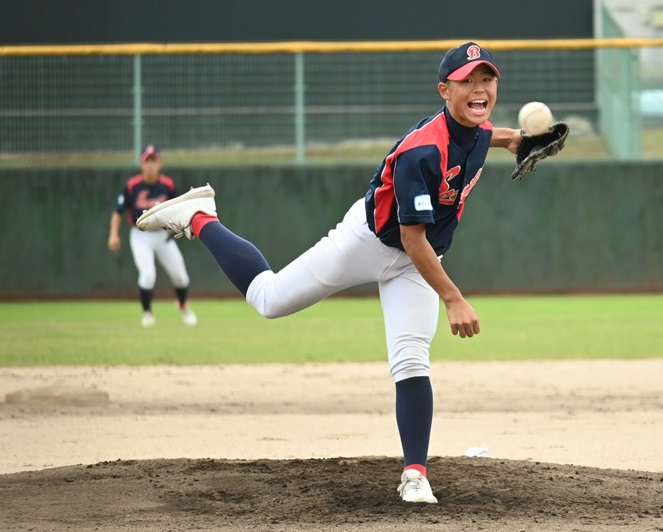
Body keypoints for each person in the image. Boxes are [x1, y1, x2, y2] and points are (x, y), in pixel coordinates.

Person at [135, 42, 566, 502]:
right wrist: (453, 297)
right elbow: (412, 239)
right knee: (269, 300)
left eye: (487, 79)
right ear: (445, 90)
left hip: (418, 260)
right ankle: (201, 216)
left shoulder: (476, 130)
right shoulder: (421, 154)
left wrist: (519, 141)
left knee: (411, 358)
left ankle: (415, 475)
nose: (480, 89)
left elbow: (485, 136)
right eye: (467, 81)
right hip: (368, 241)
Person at [108, 145, 198, 328]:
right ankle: (148, 313)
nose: (150, 165)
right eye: (147, 161)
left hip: (163, 235)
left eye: (154, 161)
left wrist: (182, 227)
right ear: (141, 164)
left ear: (160, 164)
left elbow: (178, 209)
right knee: (148, 275)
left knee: (181, 277)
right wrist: (113, 234)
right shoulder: (132, 185)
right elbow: (118, 211)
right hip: (140, 236)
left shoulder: (168, 185)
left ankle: (182, 306)